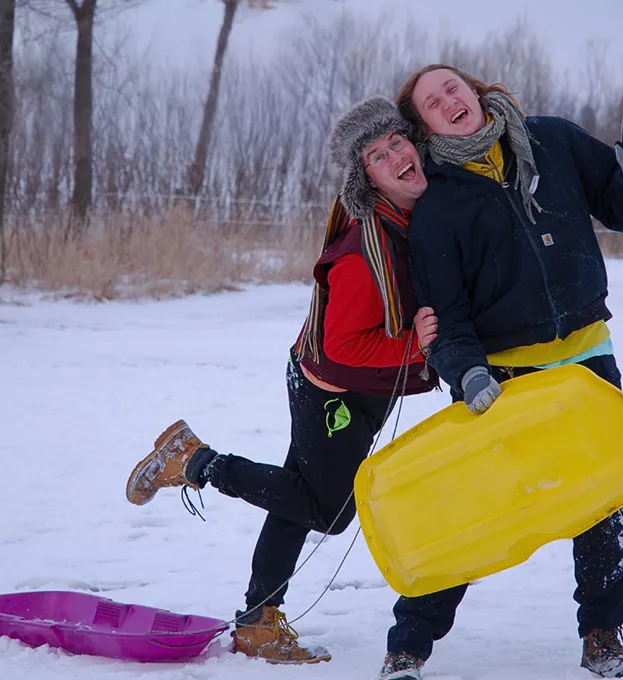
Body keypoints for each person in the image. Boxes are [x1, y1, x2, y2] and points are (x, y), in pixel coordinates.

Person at [124, 97, 439, 665]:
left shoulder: (411, 221)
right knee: (328, 510)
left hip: (353, 384)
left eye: (397, 142)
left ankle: (257, 622)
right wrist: (419, 341)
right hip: (332, 390)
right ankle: (194, 460)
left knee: (299, 495)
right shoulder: (363, 253)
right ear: (364, 177)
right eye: (376, 154)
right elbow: (345, 345)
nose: (394, 156)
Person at [372, 65, 623, 680]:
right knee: (479, 512)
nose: (448, 100)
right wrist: (468, 375)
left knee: (601, 506)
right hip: (509, 382)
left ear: (473, 92)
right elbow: (445, 319)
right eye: (431, 102)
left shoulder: (551, 141)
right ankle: (407, 649)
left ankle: (603, 640)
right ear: (424, 125)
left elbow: (621, 208)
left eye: (452, 88)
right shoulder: (439, 207)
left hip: (587, 365)